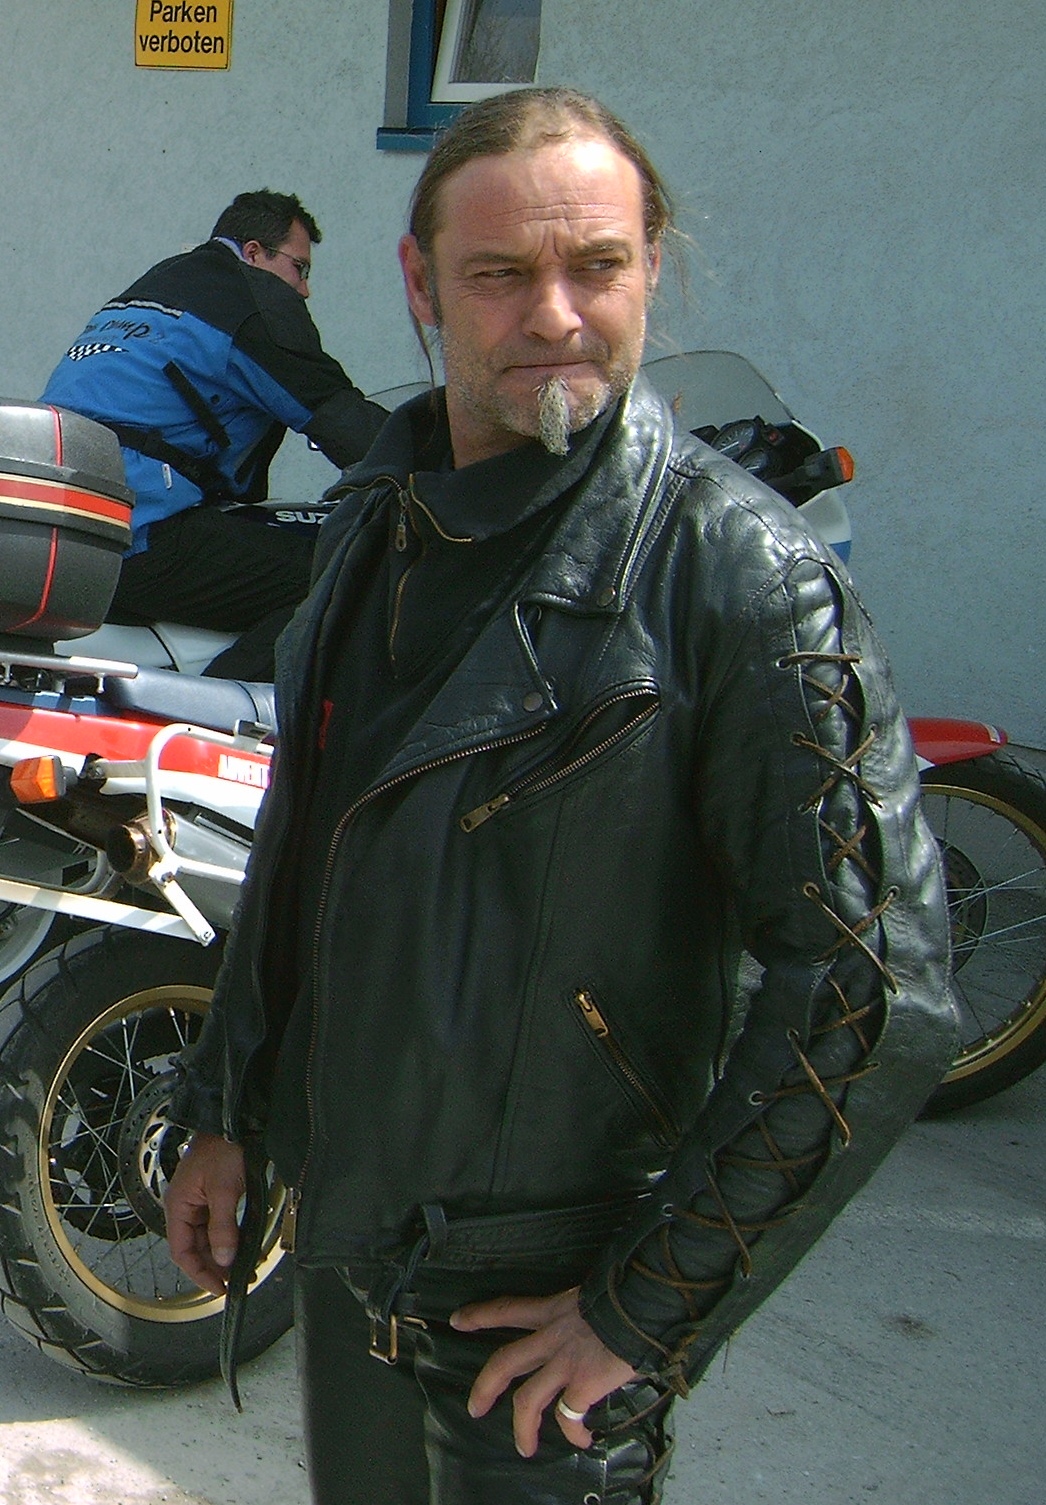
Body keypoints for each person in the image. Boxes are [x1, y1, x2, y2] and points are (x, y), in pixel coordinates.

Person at [160, 89, 954, 1503]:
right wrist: (229, 1104)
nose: (555, 316)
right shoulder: (375, 519)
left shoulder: (743, 577)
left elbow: (871, 989)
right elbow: (307, 847)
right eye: (499, 274)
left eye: (597, 266)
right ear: (419, 285)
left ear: (653, 269)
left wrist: (647, 1305)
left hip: (544, 1321)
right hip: (346, 1252)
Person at [42, 189, 389, 679]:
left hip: (68, 524)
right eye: (300, 268)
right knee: (356, 574)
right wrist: (437, 463)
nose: (305, 289)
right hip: (141, 529)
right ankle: (226, 705)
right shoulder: (251, 302)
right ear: (254, 253)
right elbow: (339, 416)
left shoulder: (159, 285)